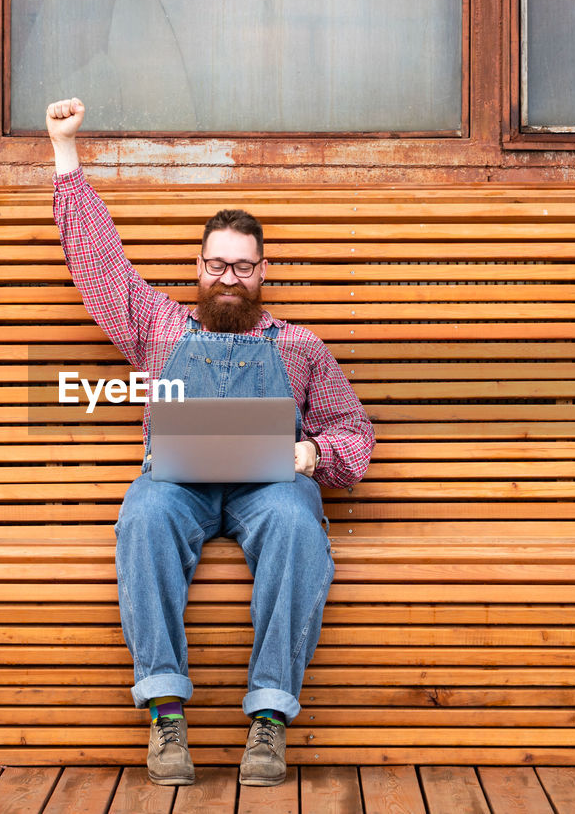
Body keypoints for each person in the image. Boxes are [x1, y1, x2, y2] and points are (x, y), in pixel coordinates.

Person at [47, 97, 374, 787]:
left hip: (268, 488)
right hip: (179, 485)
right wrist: (65, 153)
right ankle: (165, 712)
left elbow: (354, 431)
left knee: (297, 523)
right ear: (198, 265)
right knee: (142, 515)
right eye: (217, 265)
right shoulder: (157, 327)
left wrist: (313, 454)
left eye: (244, 267)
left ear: (263, 272)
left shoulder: (300, 346)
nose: (229, 279)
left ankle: (270, 719)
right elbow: (99, 264)